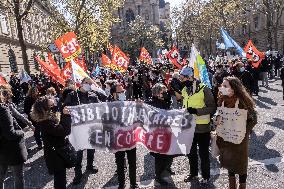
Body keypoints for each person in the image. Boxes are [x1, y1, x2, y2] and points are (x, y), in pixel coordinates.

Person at [176, 66, 216, 184]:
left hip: (202, 128)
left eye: (183, 77)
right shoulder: (184, 90)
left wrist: (197, 111)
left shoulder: (204, 89)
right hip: (189, 128)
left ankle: (206, 176)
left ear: (190, 77)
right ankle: (193, 174)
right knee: (191, 153)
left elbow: (212, 108)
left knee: (203, 154)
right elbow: (183, 105)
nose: (181, 80)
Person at [216, 77, 257, 189]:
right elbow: (218, 114)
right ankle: (231, 186)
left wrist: (244, 131)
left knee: (241, 164)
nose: (222, 87)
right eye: (222, 85)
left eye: (225, 86)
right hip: (226, 137)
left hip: (240, 139)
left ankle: (242, 186)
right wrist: (217, 118)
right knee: (229, 161)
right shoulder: (221, 99)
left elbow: (253, 119)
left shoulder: (243, 101)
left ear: (233, 88)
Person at [64, 77, 106, 185]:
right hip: (78, 129)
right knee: (79, 152)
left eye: (90, 83)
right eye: (86, 83)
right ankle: (78, 174)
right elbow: (64, 107)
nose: (88, 85)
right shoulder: (72, 95)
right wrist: (65, 110)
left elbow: (100, 107)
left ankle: (90, 166)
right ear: (81, 84)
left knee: (91, 148)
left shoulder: (93, 95)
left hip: (91, 128)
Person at [30, 95, 71, 189]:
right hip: (55, 155)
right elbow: (64, 130)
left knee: (60, 177)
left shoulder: (46, 119)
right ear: (46, 109)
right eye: (51, 105)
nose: (54, 107)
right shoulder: (46, 123)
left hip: (55, 152)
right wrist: (65, 115)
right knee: (60, 180)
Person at [109, 82, 138, 189]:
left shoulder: (130, 103)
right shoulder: (108, 106)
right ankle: (121, 184)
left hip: (131, 138)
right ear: (113, 94)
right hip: (118, 140)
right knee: (120, 164)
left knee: (132, 163)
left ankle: (133, 183)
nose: (122, 93)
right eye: (119, 92)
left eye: (123, 91)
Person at [0, 84, 28, 189]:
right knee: (18, 176)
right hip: (12, 149)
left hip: (2, 150)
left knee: (1, 176)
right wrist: (22, 131)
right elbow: (11, 134)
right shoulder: (3, 109)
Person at [147, 83, 174, 186]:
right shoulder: (151, 103)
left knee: (169, 152)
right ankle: (158, 176)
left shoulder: (166, 101)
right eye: (163, 92)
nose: (166, 94)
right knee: (160, 156)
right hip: (157, 133)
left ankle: (167, 168)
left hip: (167, 131)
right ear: (157, 93)